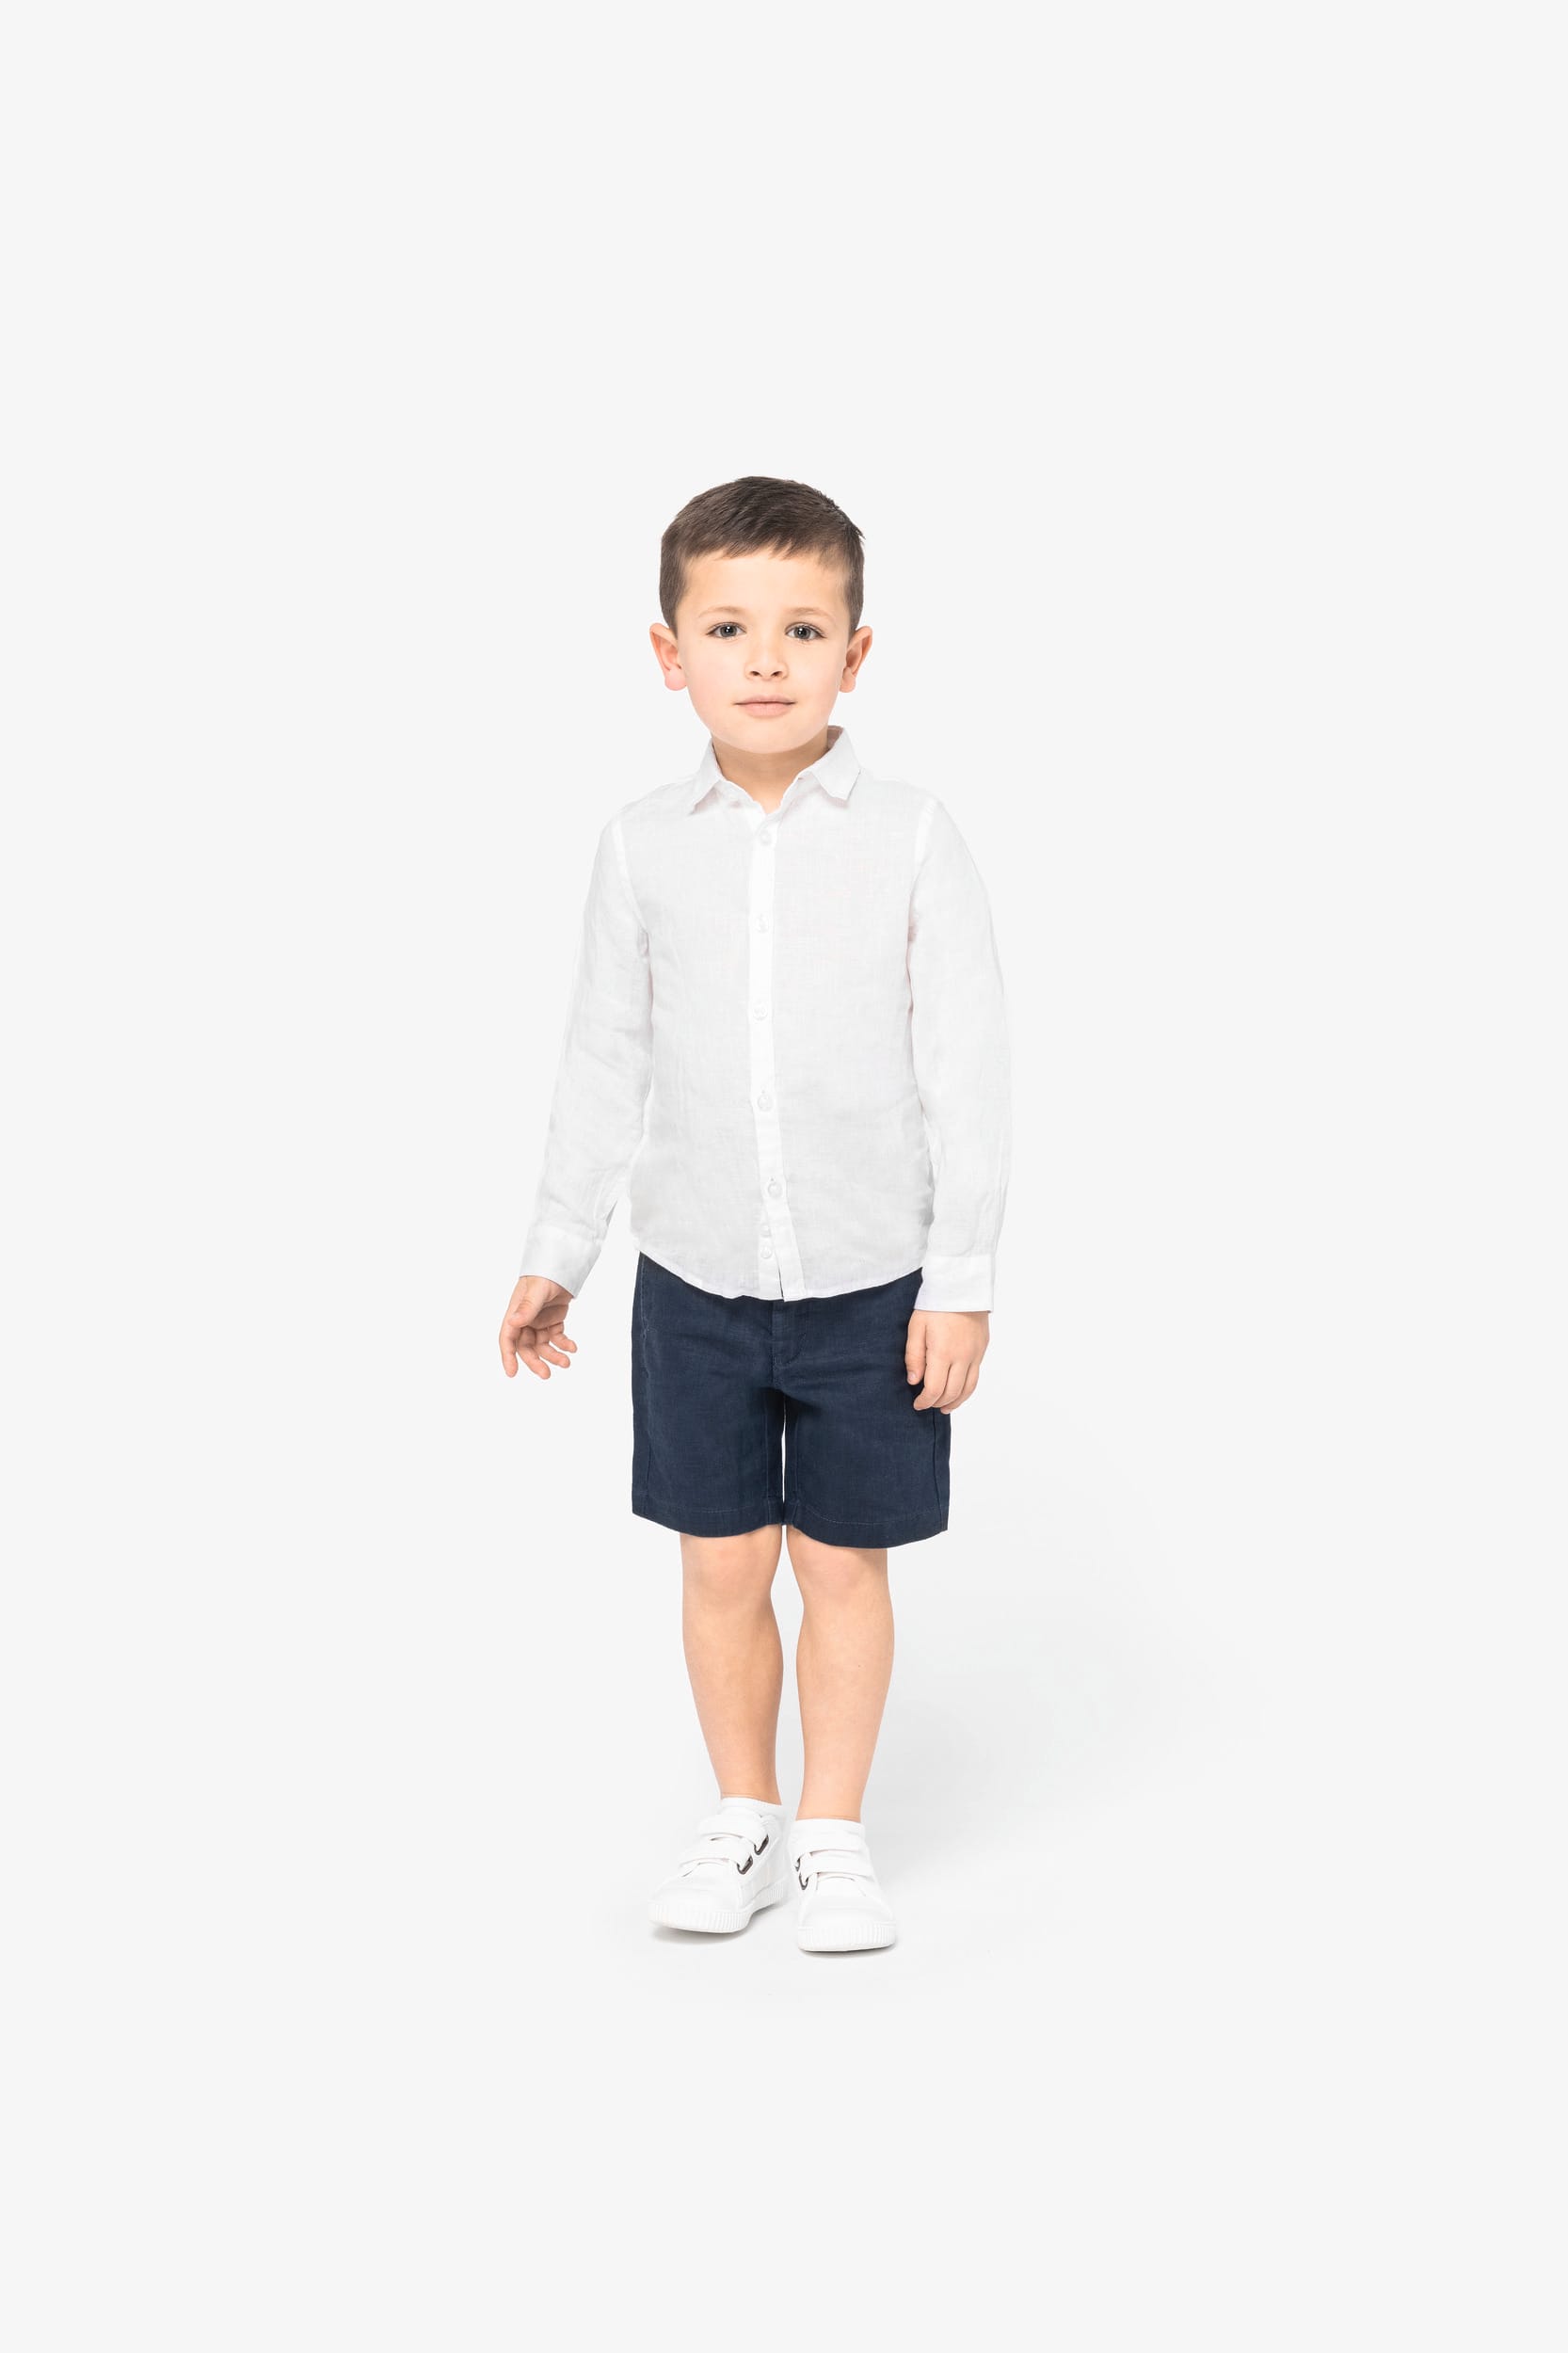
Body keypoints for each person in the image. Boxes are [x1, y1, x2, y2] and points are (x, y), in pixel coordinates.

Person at [499, 476, 1011, 1952]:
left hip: (872, 1278)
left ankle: (834, 1829)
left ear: (856, 652)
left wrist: (960, 1278)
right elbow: (603, 1058)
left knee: (841, 1560)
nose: (766, 659)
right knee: (719, 1560)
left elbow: (965, 1066)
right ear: (670, 654)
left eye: (802, 628)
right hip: (695, 1277)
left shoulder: (912, 835)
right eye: (728, 628)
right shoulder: (639, 845)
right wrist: (554, 1253)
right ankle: (746, 1817)